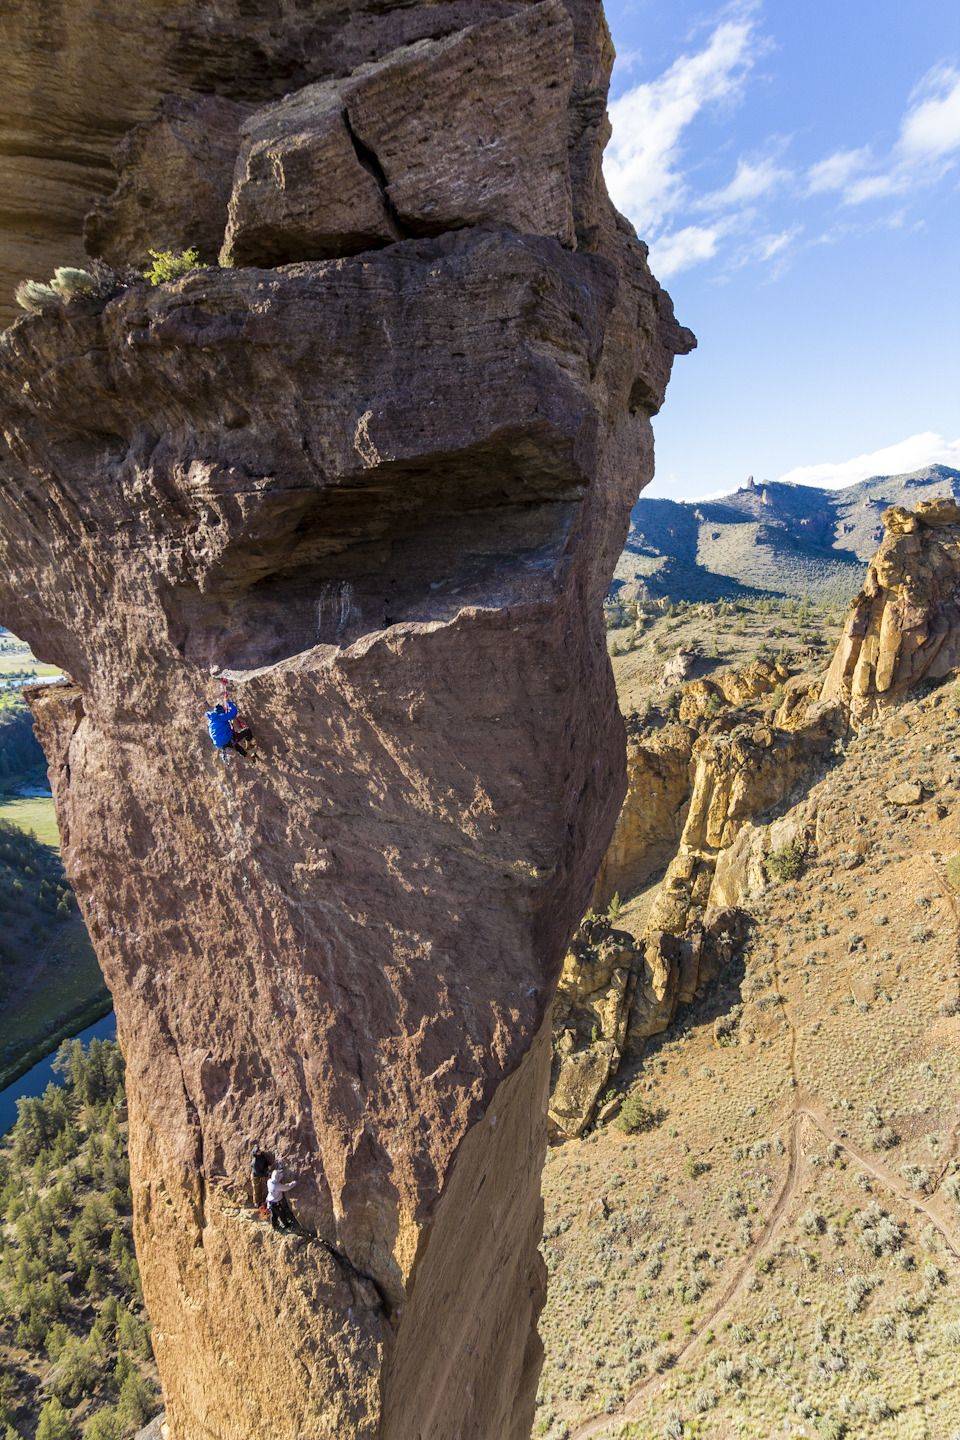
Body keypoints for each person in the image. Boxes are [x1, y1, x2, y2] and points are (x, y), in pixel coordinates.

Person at [266, 1165, 298, 1232]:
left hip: (270, 1201)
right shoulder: (277, 1186)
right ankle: (286, 1225)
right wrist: (294, 1183)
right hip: (276, 1203)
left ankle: (274, 1226)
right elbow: (287, 1187)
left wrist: (280, 1172)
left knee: (274, 1215)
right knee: (281, 1214)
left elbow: (276, 1178)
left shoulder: (269, 1181)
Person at [250, 1144, 271, 1209]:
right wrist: (266, 1174)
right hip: (255, 1176)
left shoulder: (261, 1156)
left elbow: (265, 1162)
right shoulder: (255, 1162)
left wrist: (268, 1166)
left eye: (259, 1150)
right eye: (258, 1151)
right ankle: (256, 1202)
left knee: (261, 1188)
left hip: (261, 1172)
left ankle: (261, 1201)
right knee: (257, 1189)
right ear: (256, 1153)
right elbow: (258, 1173)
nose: (259, 1151)